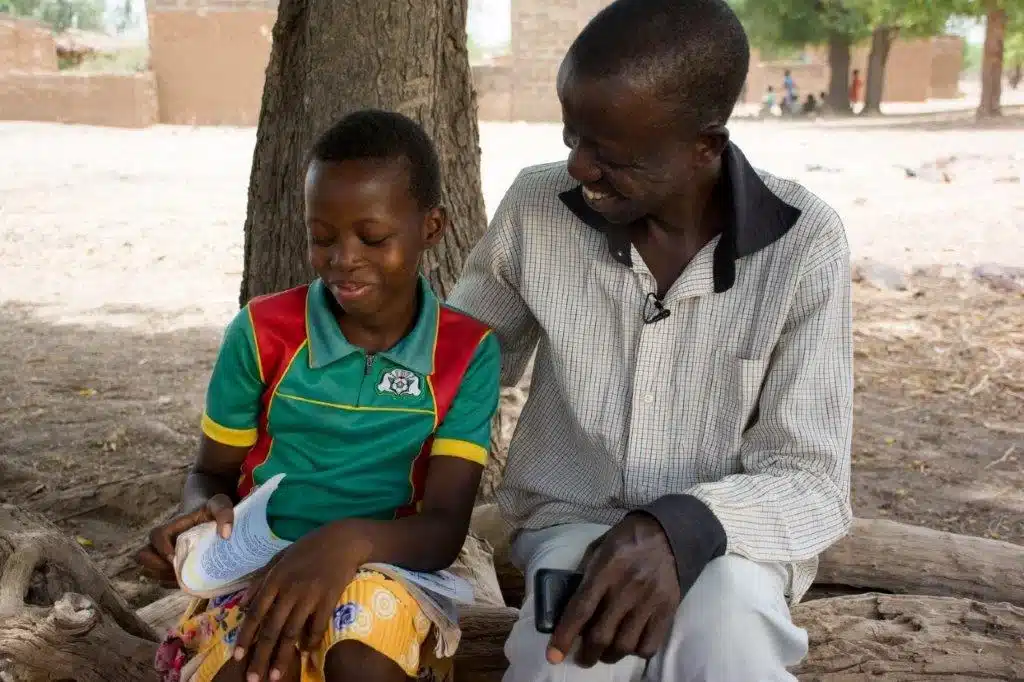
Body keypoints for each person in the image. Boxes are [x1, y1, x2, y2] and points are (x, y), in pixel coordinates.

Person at [448, 0, 853, 680]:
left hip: (736, 546)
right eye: (572, 136)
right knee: (565, 661)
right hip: (573, 526)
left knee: (731, 637)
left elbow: (812, 478)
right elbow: (455, 368)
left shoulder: (803, 243)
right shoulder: (537, 209)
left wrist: (680, 526)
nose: (578, 167)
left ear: (705, 146)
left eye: (610, 154)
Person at [137, 110, 501, 682]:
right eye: (321, 238)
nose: (343, 258)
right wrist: (196, 519)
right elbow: (209, 475)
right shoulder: (263, 333)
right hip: (257, 569)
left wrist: (346, 541)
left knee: (359, 661)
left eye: (373, 237)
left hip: (386, 568)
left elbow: (444, 528)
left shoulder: (465, 351)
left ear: (432, 228)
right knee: (255, 667)